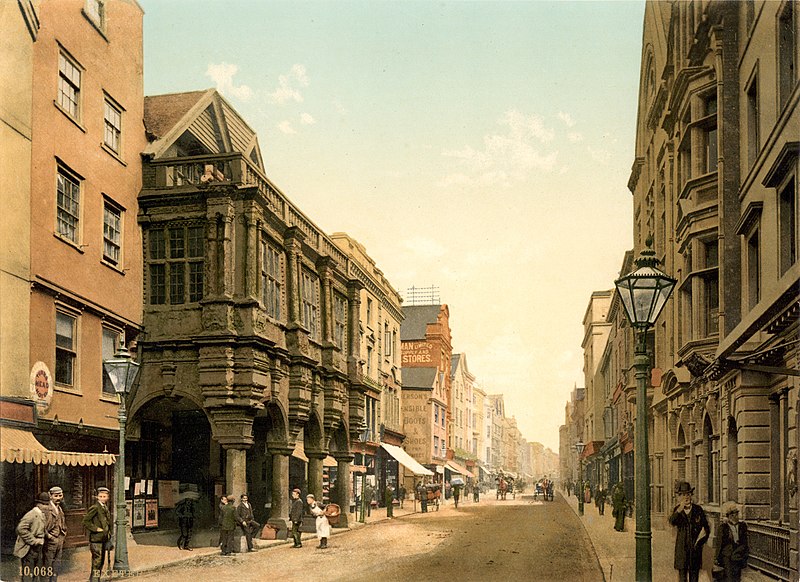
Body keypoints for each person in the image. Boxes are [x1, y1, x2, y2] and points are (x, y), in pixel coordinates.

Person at [669, 481, 710, 582]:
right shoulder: (677, 510)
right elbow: (672, 521)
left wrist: (700, 542)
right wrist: (679, 510)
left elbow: (706, 528)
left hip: (695, 550)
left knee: (694, 577)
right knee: (682, 578)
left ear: (691, 495)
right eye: (683, 495)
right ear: (679, 497)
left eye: (688, 494)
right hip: (682, 550)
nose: (686, 497)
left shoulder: (698, 510)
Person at [15, 492, 49, 582]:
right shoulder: (32, 514)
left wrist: (48, 535)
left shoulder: (42, 514)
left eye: (47, 504)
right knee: (28, 573)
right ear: (38, 504)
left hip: (38, 548)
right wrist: (34, 541)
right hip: (28, 548)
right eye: (44, 504)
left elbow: (42, 528)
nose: (46, 507)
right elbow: (21, 528)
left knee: (36, 572)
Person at [82, 487, 112, 582]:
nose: (102, 498)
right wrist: (96, 529)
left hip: (103, 539)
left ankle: (94, 579)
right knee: (97, 562)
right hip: (96, 539)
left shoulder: (105, 507)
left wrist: (108, 534)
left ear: (107, 497)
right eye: (100, 496)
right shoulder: (95, 507)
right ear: (97, 497)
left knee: (101, 562)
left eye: (104, 496)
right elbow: (86, 521)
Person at [716, 501, 749, 582]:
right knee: (729, 578)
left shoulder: (742, 526)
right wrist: (716, 558)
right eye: (732, 515)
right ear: (728, 516)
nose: (735, 517)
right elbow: (719, 543)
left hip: (738, 555)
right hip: (727, 556)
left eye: (736, 514)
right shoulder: (723, 527)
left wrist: (744, 555)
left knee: (737, 577)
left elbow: (745, 542)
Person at [43, 485, 67, 581]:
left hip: (59, 540)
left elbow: (63, 523)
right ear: (50, 496)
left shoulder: (59, 508)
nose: (58, 498)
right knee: (48, 564)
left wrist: (63, 534)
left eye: (60, 496)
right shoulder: (46, 509)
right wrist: (49, 536)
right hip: (50, 542)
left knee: (56, 565)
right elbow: (41, 526)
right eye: (56, 496)